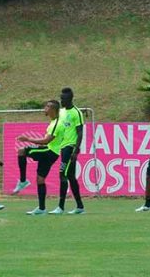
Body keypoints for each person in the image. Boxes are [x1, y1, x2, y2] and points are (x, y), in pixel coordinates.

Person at [16, 100, 62, 215]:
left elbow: (47, 141)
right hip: (52, 153)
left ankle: (23, 181)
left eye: (47, 107)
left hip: (49, 151)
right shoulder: (54, 122)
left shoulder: (56, 124)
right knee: (40, 179)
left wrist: (28, 139)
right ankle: (42, 209)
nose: (44, 108)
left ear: (53, 109)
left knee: (21, 151)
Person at [52, 87, 85, 215]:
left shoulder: (76, 113)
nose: (61, 101)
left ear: (70, 99)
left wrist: (76, 151)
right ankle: (80, 206)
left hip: (70, 148)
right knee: (71, 177)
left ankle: (60, 207)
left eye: (63, 99)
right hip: (63, 146)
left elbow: (80, 132)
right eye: (61, 98)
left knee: (62, 174)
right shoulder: (62, 112)